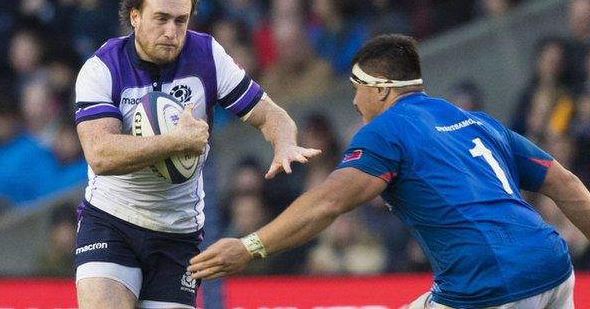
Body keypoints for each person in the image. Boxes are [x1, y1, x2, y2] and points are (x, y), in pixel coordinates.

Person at [188, 34, 590, 309]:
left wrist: (250, 246)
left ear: (381, 88)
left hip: (490, 283)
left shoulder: (387, 130)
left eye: (356, 87)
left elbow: (328, 202)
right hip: (553, 267)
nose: (354, 100)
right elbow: (567, 184)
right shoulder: (478, 122)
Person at [73, 0, 320, 309]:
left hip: (178, 234)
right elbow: (100, 155)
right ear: (134, 17)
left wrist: (284, 142)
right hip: (113, 221)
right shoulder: (102, 68)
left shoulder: (207, 56)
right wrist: (176, 141)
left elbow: (270, 113)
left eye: (181, 21)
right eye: (161, 18)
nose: (172, 32)